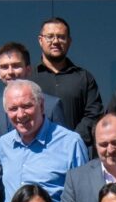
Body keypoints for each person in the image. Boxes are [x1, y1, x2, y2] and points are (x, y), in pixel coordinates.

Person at [0, 79, 88, 202]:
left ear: (42, 105)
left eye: (27, 106)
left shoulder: (70, 143)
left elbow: (83, 199)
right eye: (13, 109)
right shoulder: (5, 143)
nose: (20, 114)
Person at [0, 42, 68, 150]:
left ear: (28, 69)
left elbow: (63, 146)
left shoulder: (51, 105)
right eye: (4, 67)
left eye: (16, 66)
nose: (10, 72)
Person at [34, 17, 104, 146]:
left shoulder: (84, 78)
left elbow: (94, 115)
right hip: (37, 152)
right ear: (40, 40)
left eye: (61, 37)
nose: (55, 41)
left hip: (76, 152)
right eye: (50, 36)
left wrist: (72, 140)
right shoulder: (29, 79)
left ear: (69, 41)